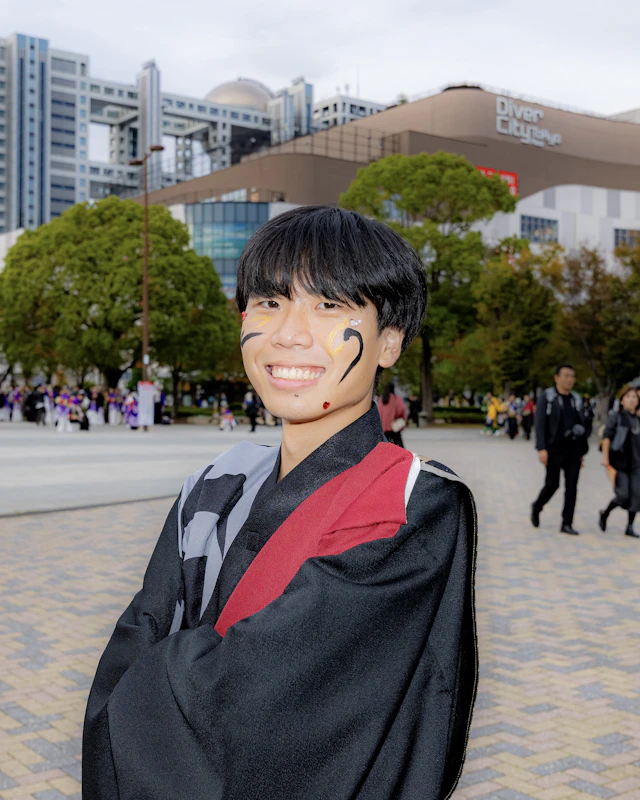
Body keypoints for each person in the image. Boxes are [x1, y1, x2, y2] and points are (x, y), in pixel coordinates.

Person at [83, 205, 478, 800]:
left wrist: (166, 675)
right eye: (269, 302)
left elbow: (270, 701)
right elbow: (133, 647)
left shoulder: (409, 503)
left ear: (389, 341)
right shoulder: (217, 483)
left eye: (329, 305)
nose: (289, 332)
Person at [531, 364, 589, 535]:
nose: (569, 379)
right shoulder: (547, 397)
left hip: (573, 450)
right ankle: (537, 506)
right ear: (556, 378)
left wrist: (581, 452)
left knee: (572, 487)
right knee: (552, 484)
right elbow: (540, 423)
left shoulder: (576, 399)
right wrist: (541, 448)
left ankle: (567, 523)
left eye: (572, 376)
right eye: (565, 376)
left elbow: (582, 424)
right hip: (554, 449)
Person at [599, 385, 640, 538]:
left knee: (637, 496)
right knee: (623, 494)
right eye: (628, 397)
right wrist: (605, 457)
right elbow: (607, 437)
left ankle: (629, 526)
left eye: (634, 397)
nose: (631, 400)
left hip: (636, 464)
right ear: (622, 400)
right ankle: (605, 513)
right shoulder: (616, 417)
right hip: (620, 463)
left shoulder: (638, 419)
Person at [377, 381, 408, 447]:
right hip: (394, 427)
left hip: (383, 427)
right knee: (398, 446)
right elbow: (401, 410)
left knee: (386, 446)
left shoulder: (381, 399)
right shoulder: (396, 399)